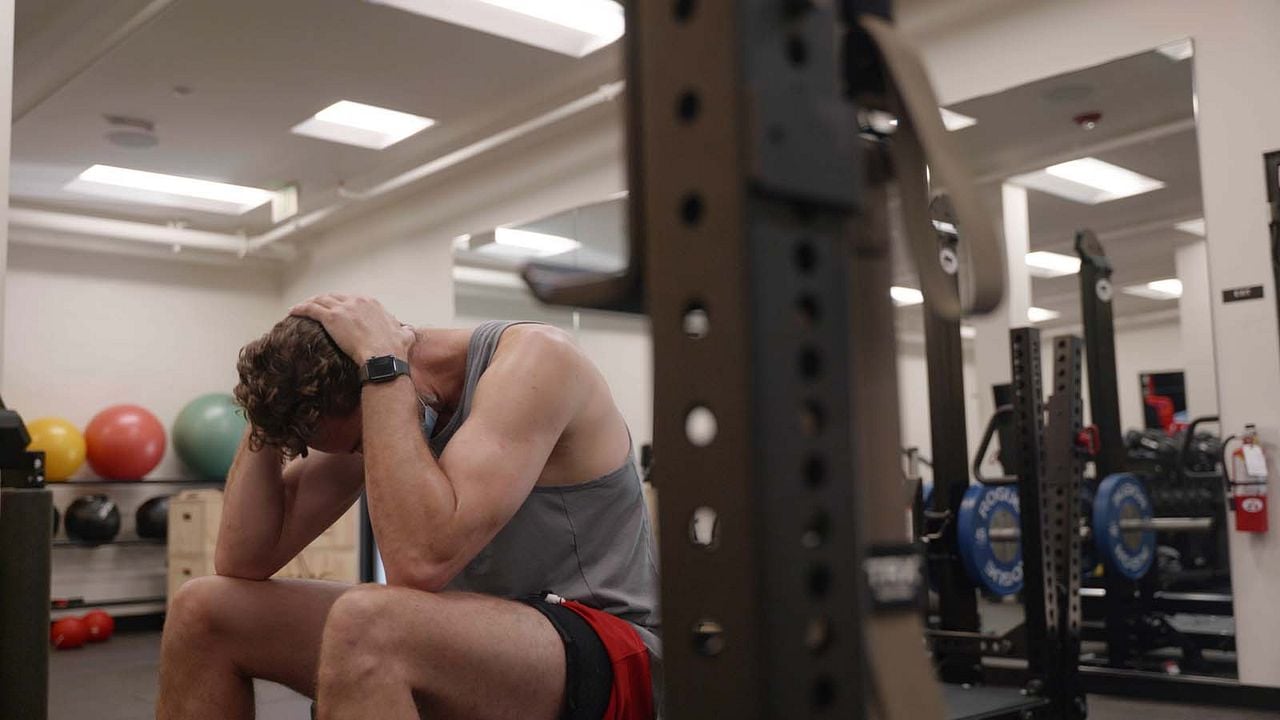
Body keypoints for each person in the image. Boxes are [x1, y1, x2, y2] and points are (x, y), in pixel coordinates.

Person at [155, 294, 660, 720]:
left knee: (370, 621)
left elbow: (422, 563)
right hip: (471, 635)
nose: (360, 455)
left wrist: (381, 362)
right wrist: (264, 408)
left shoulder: (536, 361)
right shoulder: (379, 396)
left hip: (610, 647)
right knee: (203, 609)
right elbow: (245, 558)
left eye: (357, 446)